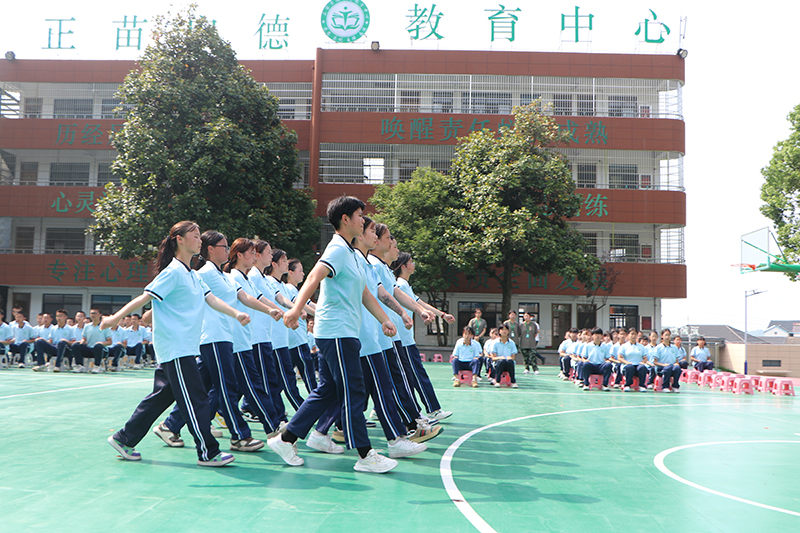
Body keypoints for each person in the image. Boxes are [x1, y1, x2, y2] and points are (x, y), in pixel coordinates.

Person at [268, 196, 399, 473]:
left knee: (328, 390)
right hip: (337, 332)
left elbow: (364, 293)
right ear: (345, 219)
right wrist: (296, 310)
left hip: (342, 332)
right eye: (359, 215)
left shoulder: (351, 253)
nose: (363, 220)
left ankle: (286, 438)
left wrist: (385, 319)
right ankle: (365, 454)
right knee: (354, 389)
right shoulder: (337, 249)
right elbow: (314, 277)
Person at [103, 221, 248, 467]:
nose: (199, 240)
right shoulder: (172, 272)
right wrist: (115, 318)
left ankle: (124, 438)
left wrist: (236, 314)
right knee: (197, 400)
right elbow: (145, 297)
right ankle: (208, 452)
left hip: (185, 347)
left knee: (161, 398)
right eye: (195, 235)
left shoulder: (192, 274)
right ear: (179, 239)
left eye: (200, 236)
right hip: (176, 347)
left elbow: (211, 300)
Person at [283, 258, 319, 394]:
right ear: (290, 272)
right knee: (308, 374)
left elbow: (309, 304)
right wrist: (321, 314)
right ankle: (315, 401)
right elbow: (302, 305)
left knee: (284, 377)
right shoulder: (288, 288)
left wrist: (324, 311)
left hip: (297, 338)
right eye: (300, 270)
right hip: (296, 339)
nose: (303, 274)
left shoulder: (295, 290)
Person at [73, 308, 112, 374]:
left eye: (94, 313)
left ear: (100, 315)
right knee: (75, 345)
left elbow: (110, 342)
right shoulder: (87, 326)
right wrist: (82, 341)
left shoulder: (105, 327)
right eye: (91, 313)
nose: (92, 315)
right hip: (89, 349)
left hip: (102, 350)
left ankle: (97, 366)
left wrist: (101, 343)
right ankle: (79, 366)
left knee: (98, 346)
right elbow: (84, 338)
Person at [487, 324, 519, 388]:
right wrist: (500, 358)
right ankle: (497, 381)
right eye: (502, 329)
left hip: (508, 363)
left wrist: (510, 358)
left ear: (508, 331)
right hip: (498, 363)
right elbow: (493, 358)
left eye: (506, 329)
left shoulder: (511, 342)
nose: (504, 331)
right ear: (499, 331)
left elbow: (513, 357)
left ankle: (513, 382)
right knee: (501, 361)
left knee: (510, 362)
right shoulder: (495, 342)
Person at [618, 327, 648, 392]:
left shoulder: (641, 346)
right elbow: (619, 357)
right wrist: (626, 362)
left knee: (643, 367)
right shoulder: (624, 346)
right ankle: (627, 385)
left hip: (638, 365)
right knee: (630, 367)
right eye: (632, 334)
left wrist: (643, 362)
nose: (633, 336)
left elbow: (645, 357)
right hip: (627, 366)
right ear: (628, 335)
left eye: (635, 334)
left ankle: (642, 386)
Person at [653, 328, 682, 393]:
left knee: (677, 368)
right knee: (668, 368)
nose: (667, 337)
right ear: (662, 336)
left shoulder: (674, 347)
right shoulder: (658, 347)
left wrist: (676, 364)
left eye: (669, 335)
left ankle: (675, 386)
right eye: (666, 335)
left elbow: (677, 361)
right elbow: (655, 362)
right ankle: (665, 386)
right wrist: (664, 365)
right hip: (661, 368)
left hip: (672, 366)